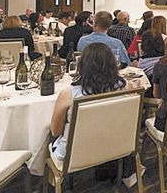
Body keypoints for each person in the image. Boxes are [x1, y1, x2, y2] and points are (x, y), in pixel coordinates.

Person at [49, 43, 141, 188]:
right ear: (112, 64)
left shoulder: (69, 95)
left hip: (74, 155)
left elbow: (55, 131)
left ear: (82, 65)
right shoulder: (126, 88)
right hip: (116, 147)